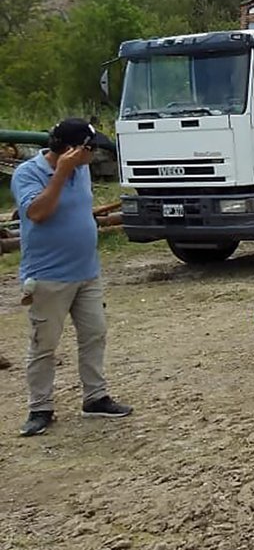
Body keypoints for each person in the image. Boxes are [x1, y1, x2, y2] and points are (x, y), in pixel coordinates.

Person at [12, 118, 132, 437]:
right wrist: (61, 174)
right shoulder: (28, 174)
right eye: (90, 150)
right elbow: (36, 213)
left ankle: (95, 396)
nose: (93, 157)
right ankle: (40, 407)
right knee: (44, 344)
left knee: (95, 333)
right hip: (49, 275)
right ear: (72, 150)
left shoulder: (83, 170)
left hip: (87, 272)